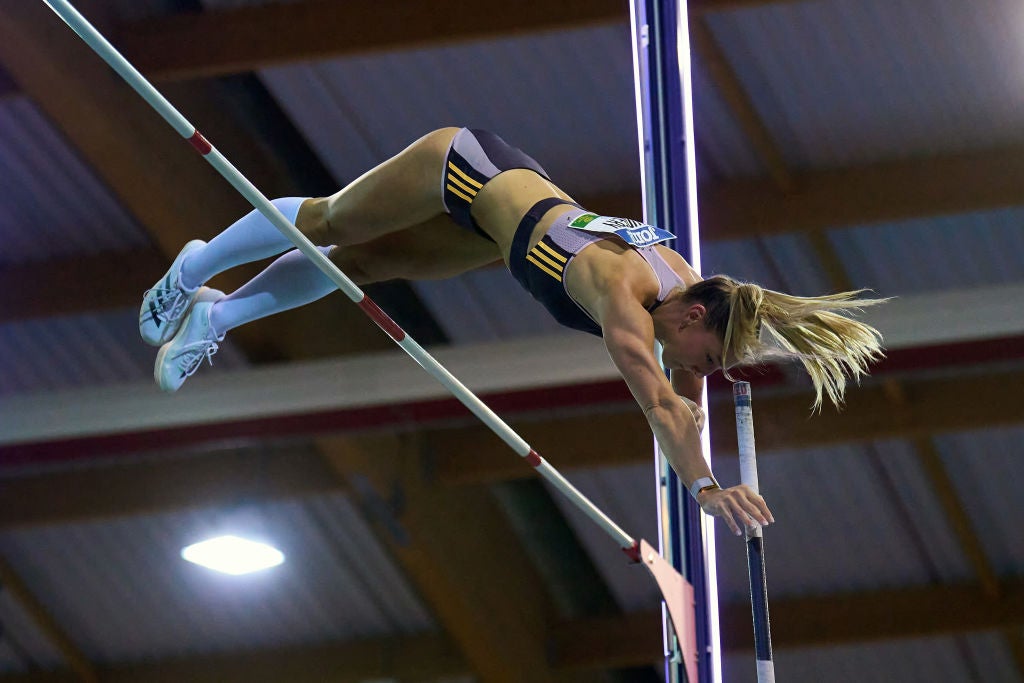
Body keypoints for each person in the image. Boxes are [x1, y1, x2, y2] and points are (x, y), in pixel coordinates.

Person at [139, 127, 886, 537]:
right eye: (714, 356)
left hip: (501, 233)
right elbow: (664, 406)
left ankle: (215, 313)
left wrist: (712, 466)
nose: (706, 371)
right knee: (334, 220)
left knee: (360, 265)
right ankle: (194, 266)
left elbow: (685, 401)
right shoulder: (629, 303)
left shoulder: (683, 300)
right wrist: (705, 489)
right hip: (465, 168)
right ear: (693, 317)